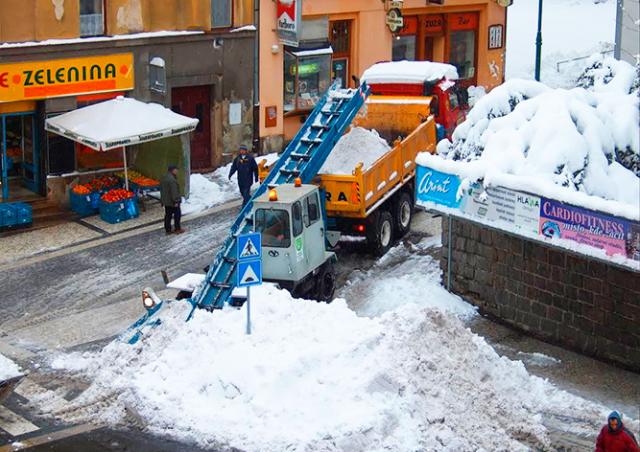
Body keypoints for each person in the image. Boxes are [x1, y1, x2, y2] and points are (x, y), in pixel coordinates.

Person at [160, 165, 184, 235]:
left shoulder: (164, 178)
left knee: (168, 215)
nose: (177, 171)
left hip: (166, 201)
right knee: (177, 215)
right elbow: (174, 191)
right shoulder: (172, 180)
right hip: (172, 201)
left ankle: (168, 230)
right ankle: (177, 228)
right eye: (176, 170)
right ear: (173, 170)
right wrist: (176, 201)